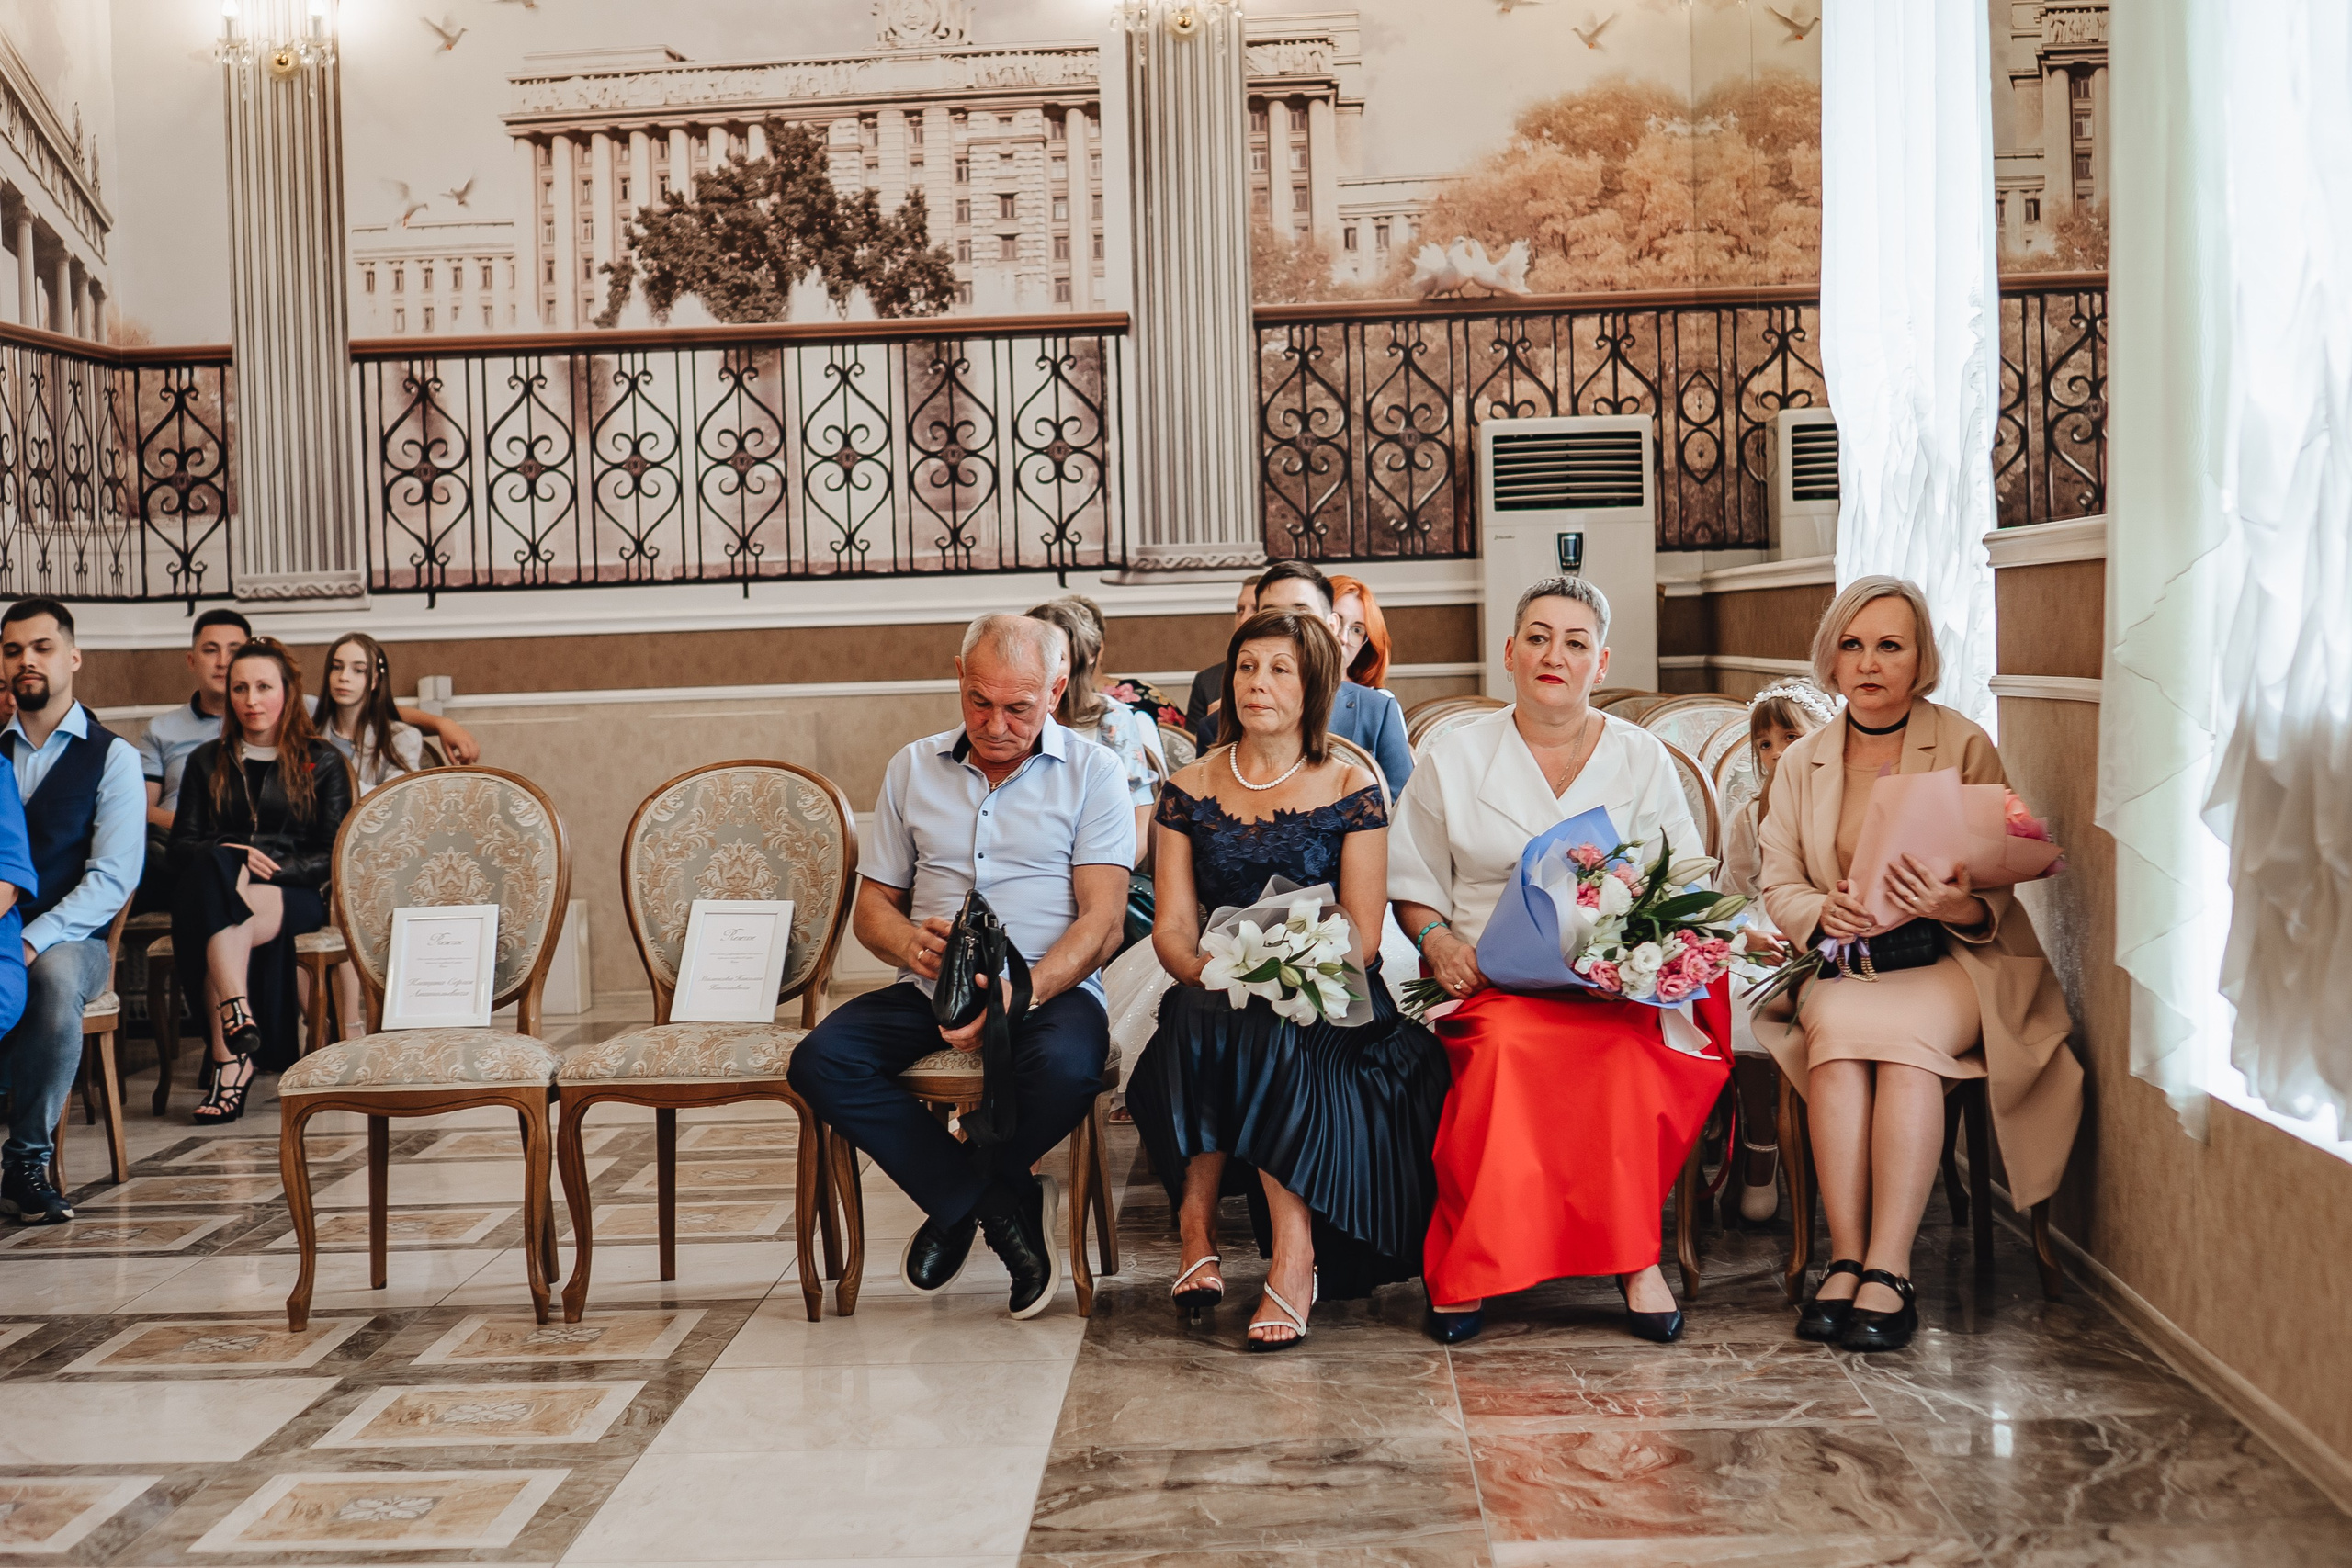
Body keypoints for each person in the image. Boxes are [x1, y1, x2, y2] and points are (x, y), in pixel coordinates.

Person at [1391, 575, 1730, 1346]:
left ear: (1601, 663)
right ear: (1509, 652)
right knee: (1509, 1051)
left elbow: (1682, 880)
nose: (1555, 654)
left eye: (1576, 642)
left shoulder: (1643, 759)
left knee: (1620, 1056)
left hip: (1609, 988)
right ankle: (1474, 1267)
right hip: (1490, 977)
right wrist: (1438, 941)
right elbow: (1411, 881)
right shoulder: (1454, 756)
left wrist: (1636, 957)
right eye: (1539, 637)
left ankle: (1633, 1258)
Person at [1756, 577, 2081, 1352]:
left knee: (1898, 1050)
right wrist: (1816, 913)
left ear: (1920, 658)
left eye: (1890, 645)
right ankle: (1846, 1259)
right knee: (1837, 1037)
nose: (1869, 663)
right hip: (1846, 964)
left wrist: (1949, 903)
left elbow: (2000, 883)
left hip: (1956, 962)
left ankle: (1890, 1266)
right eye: (1853, 644)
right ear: (1831, 659)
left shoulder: (1963, 742)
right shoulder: (1801, 762)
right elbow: (1778, 882)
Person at [787, 615, 1135, 1319]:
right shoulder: (912, 767)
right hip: (929, 982)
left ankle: (959, 1200)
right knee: (820, 1059)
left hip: (1047, 982)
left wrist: (1022, 992)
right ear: (958, 677)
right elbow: (873, 907)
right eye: (980, 701)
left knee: (1068, 1069)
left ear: (1057, 690)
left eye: (1019, 707)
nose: (996, 723)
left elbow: (1103, 921)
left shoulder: (1095, 772)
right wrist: (910, 944)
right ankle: (995, 1204)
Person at [1127, 607, 1449, 1348]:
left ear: (1315, 686)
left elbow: (1364, 937)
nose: (1257, 683)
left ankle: (1293, 1252)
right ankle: (1196, 1231)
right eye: (1245, 667)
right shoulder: (1186, 788)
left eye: (1278, 669)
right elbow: (1174, 926)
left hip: (1332, 989)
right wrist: (1204, 969)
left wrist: (1288, 973)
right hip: (1218, 978)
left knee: (1267, 1023)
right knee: (1199, 1012)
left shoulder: (1351, 786)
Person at [138, 614, 476, 908]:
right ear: (192, 659)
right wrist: (210, 840)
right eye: (212, 651)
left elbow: (370, 710)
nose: (252, 699)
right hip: (213, 851)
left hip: (308, 854)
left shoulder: (300, 725)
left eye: (235, 652)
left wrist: (441, 723)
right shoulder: (177, 736)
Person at [0, 599, 144, 1226]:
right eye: (12, 650)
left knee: (50, 977)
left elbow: (112, 879)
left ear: (73, 657)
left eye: (42, 647)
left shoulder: (111, 756)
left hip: (77, 941)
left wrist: (33, 937)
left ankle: (26, 1159)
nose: (26, 660)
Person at [166, 638, 353, 1117]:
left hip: (292, 893)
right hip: (219, 888)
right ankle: (237, 1032)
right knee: (217, 872)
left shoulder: (324, 760)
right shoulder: (205, 760)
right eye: (240, 688)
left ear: (287, 693)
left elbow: (332, 852)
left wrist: (271, 867)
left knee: (218, 910)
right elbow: (181, 847)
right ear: (228, 695)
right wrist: (231, 855)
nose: (251, 700)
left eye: (264, 687)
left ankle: (230, 1053)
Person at [1719, 679, 1836, 1224]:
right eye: (1764, 743)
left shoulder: (1845, 803)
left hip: (1831, 930)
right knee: (1742, 990)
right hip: (1766, 929)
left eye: (1790, 736)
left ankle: (1826, 1147)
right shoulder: (1749, 815)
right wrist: (1748, 935)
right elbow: (1731, 896)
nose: (1776, 752)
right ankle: (1760, 1147)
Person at [1240, 563, 1415, 792]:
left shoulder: (1379, 708)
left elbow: (1400, 802)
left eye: (1357, 629)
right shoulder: (1235, 710)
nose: (1343, 637)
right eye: (1272, 613)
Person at [318, 633, 426, 794]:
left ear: (375, 680)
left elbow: (397, 799)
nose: (344, 677)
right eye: (337, 667)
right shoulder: (309, 734)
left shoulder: (402, 738)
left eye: (359, 670)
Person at [1185, 573, 1261, 746]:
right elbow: (1191, 755)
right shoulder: (1206, 681)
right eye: (1240, 610)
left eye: (1255, 609)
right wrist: (1214, 727)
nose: (1243, 619)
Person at [1327, 574, 1394, 690]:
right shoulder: (1287, 690)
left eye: (1357, 630)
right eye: (1335, 621)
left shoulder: (1378, 702)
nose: (1343, 638)